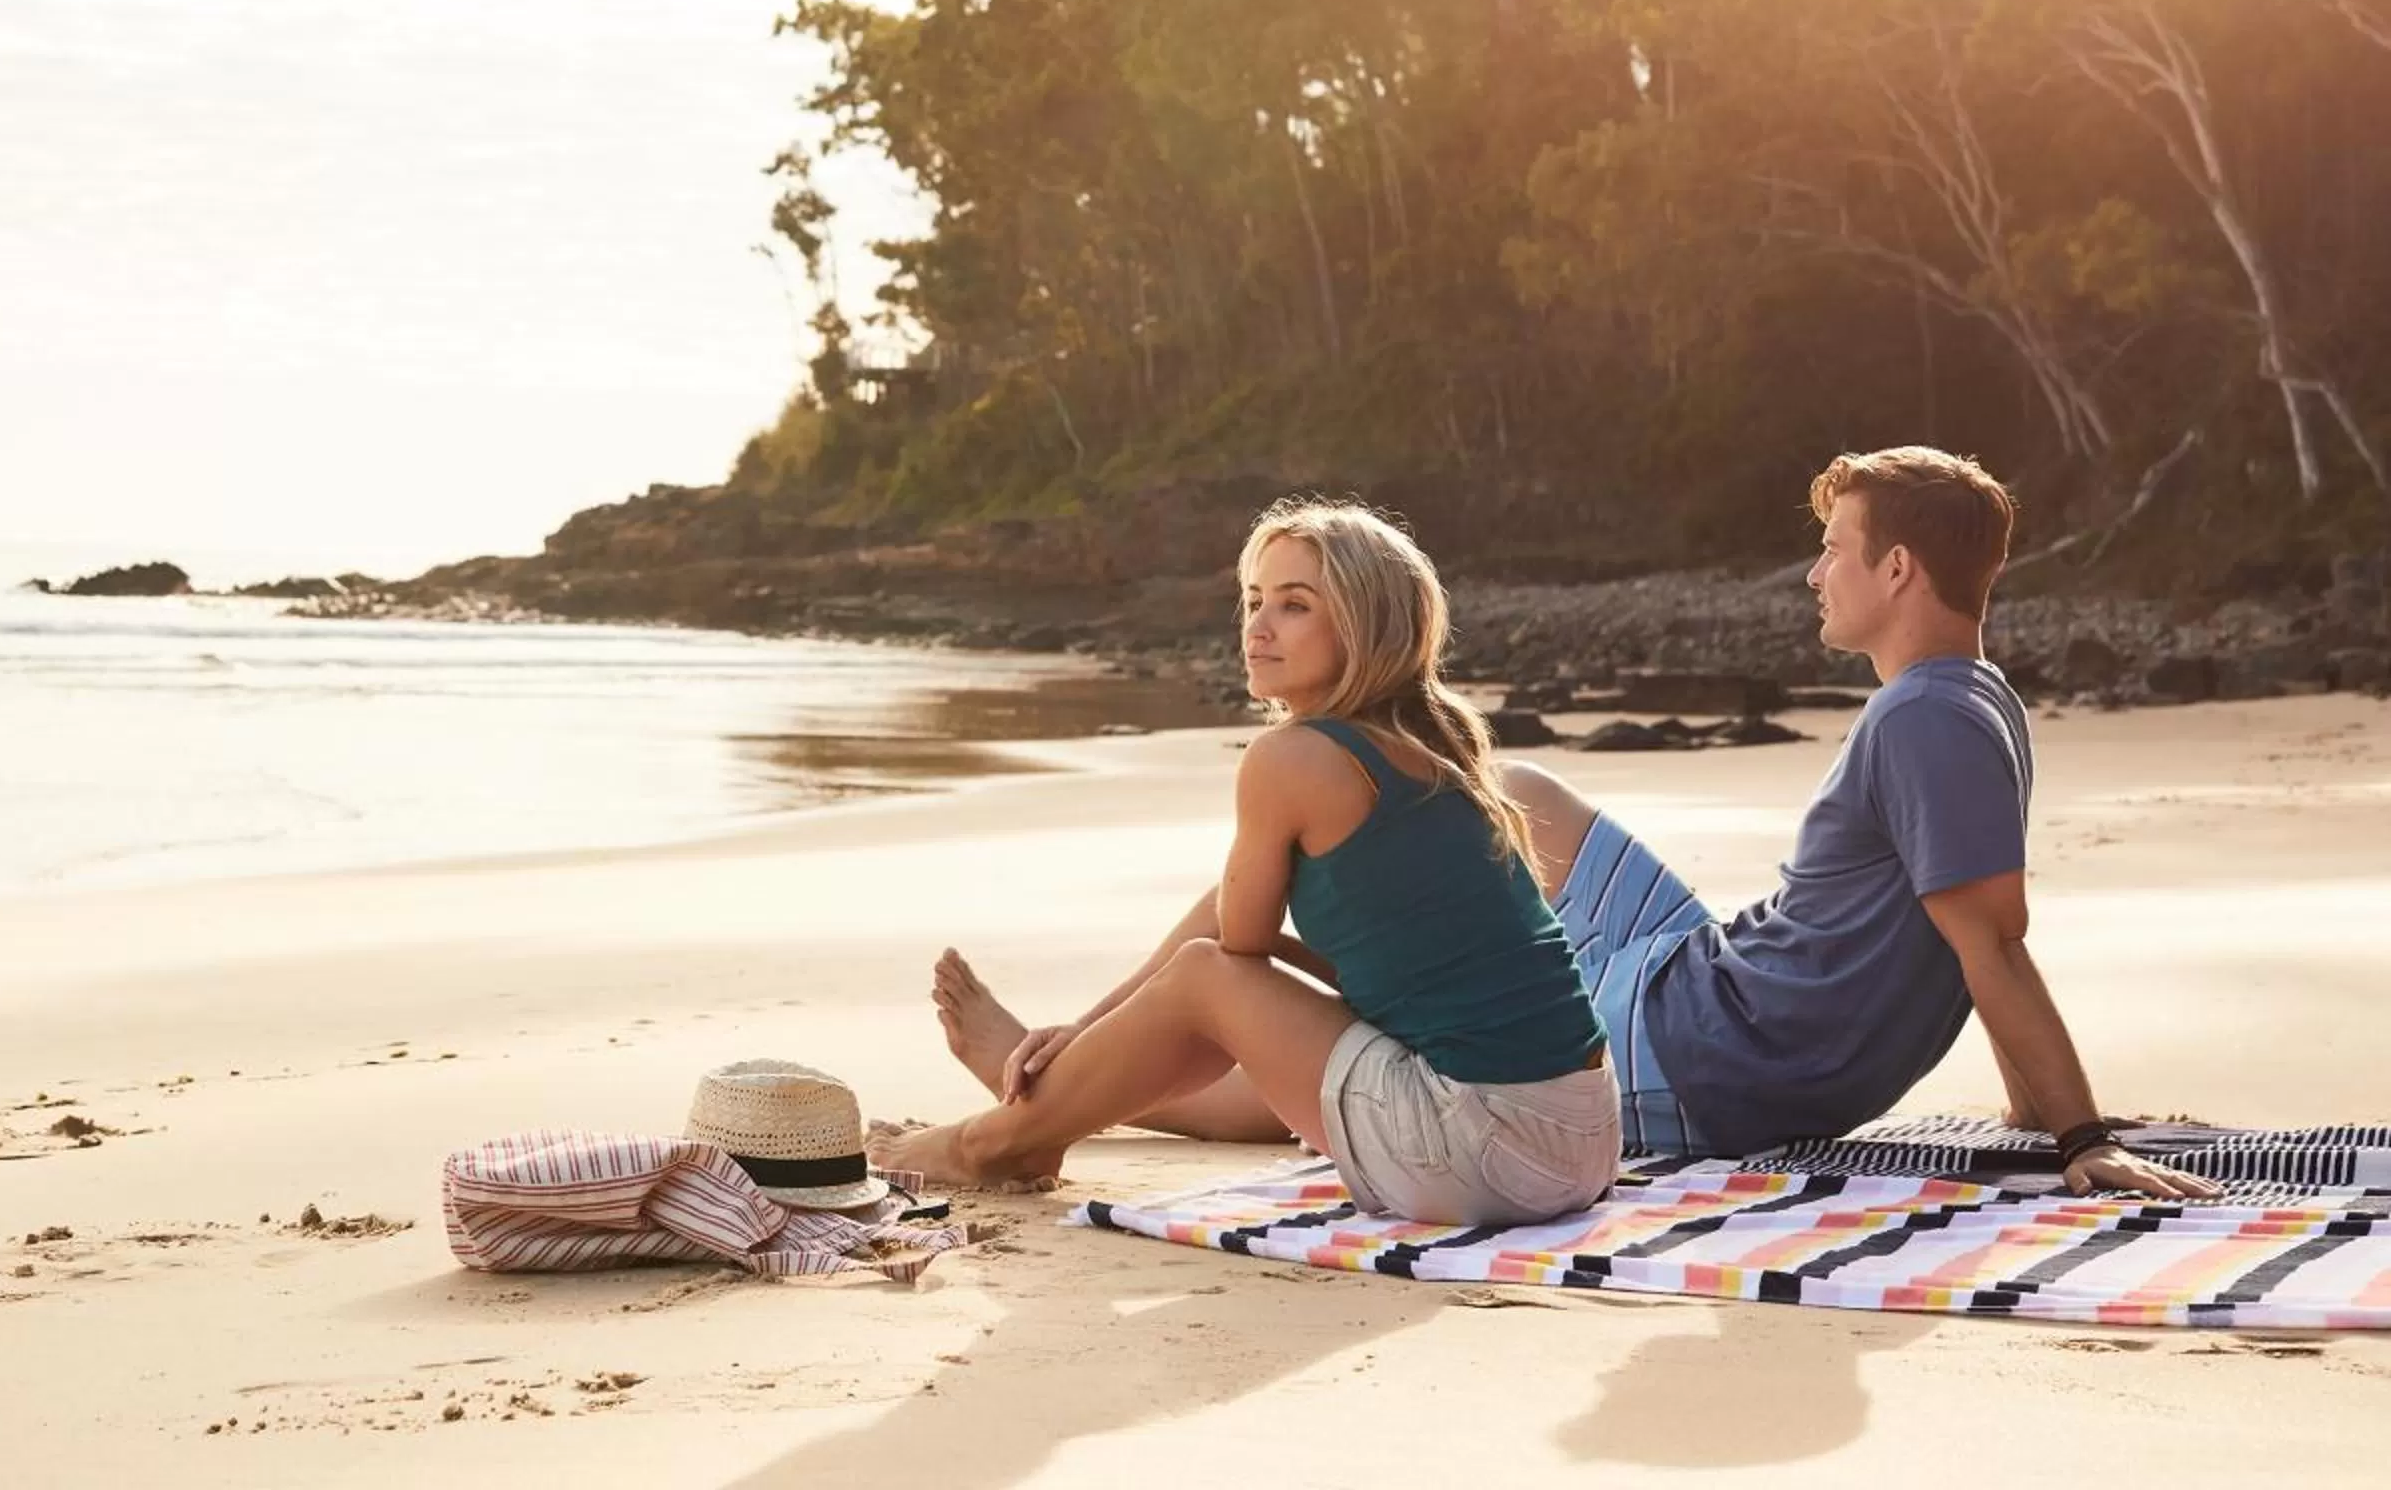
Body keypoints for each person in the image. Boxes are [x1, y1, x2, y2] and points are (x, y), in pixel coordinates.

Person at [931, 447, 2217, 1202]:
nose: (1814, 571)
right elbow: (1954, 937)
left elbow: (1989, 940)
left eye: (1836, 547)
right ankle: (1074, 1045)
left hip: (1692, 1049)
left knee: (1377, 1015)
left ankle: (1053, 1073)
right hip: (1706, 972)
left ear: (1897, 571)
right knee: (1518, 796)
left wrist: (2077, 1135)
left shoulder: (1925, 723)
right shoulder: (1972, 697)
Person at [868, 500, 1622, 1223]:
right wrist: (1086, 1025)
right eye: (1254, 600)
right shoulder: (1437, 752)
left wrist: (1124, 1015)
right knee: (1216, 948)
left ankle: (989, 1144)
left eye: (1295, 605)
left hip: (1487, 1155)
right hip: (1584, 1143)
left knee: (1208, 972)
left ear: (1366, 628)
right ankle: (1047, 1109)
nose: (1259, 627)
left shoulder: (1292, 758)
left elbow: (1235, 956)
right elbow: (1255, 929)